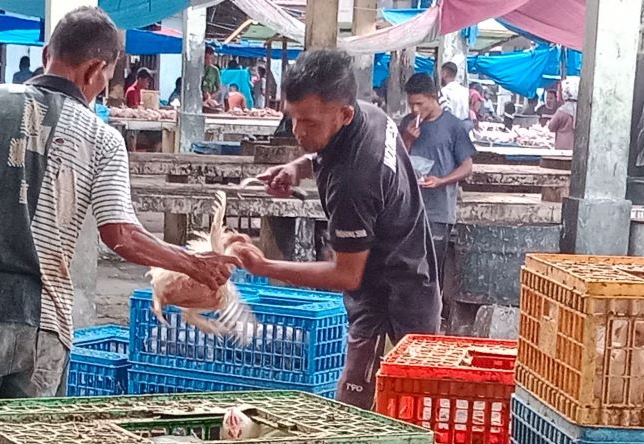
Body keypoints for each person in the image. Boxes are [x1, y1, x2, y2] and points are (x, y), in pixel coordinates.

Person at [0, 6, 234, 401]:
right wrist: (192, 264)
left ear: (45, 54)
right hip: (46, 327)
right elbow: (121, 235)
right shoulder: (103, 139)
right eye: (104, 78)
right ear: (94, 71)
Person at [232, 49, 440, 411]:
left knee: (370, 411)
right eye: (293, 118)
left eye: (309, 123)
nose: (298, 131)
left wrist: (264, 267)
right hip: (413, 277)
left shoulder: (354, 182)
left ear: (343, 114)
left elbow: (345, 274)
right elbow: (328, 152)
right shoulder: (368, 115)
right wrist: (298, 166)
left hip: (392, 306)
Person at [400, 73, 474, 289]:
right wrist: (407, 138)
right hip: (408, 209)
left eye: (419, 104)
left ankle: (432, 316)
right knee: (405, 266)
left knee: (431, 269)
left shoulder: (454, 126)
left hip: (438, 211)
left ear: (433, 97)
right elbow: (396, 160)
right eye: (411, 104)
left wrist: (441, 181)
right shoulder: (406, 124)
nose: (415, 110)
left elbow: (467, 167)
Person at [546, 76, 578, 151]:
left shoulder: (562, 111)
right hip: (576, 147)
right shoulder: (581, 111)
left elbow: (551, 127)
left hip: (562, 147)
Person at [202, 46, 222, 110]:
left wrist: (210, 97)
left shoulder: (215, 70)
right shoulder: (196, 69)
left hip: (210, 101)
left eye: (211, 59)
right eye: (206, 58)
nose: (209, 61)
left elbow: (219, 89)